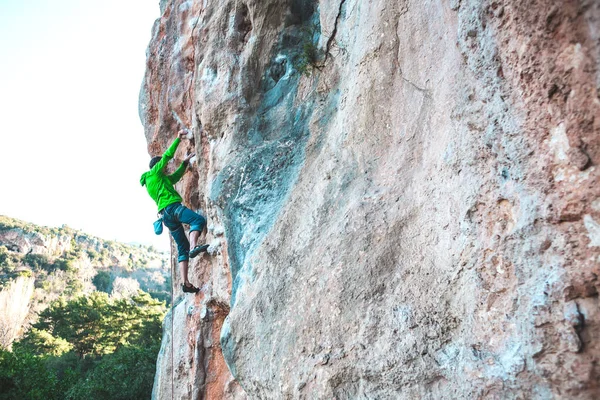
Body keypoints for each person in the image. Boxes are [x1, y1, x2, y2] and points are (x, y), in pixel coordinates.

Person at [140, 129, 208, 294]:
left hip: (166, 217)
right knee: (197, 221)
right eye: (164, 167)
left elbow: (175, 177)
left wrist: (185, 163)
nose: (166, 168)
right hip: (173, 208)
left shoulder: (157, 180)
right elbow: (166, 157)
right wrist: (178, 138)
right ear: (157, 167)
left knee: (181, 247)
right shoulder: (154, 173)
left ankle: (185, 282)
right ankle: (194, 247)